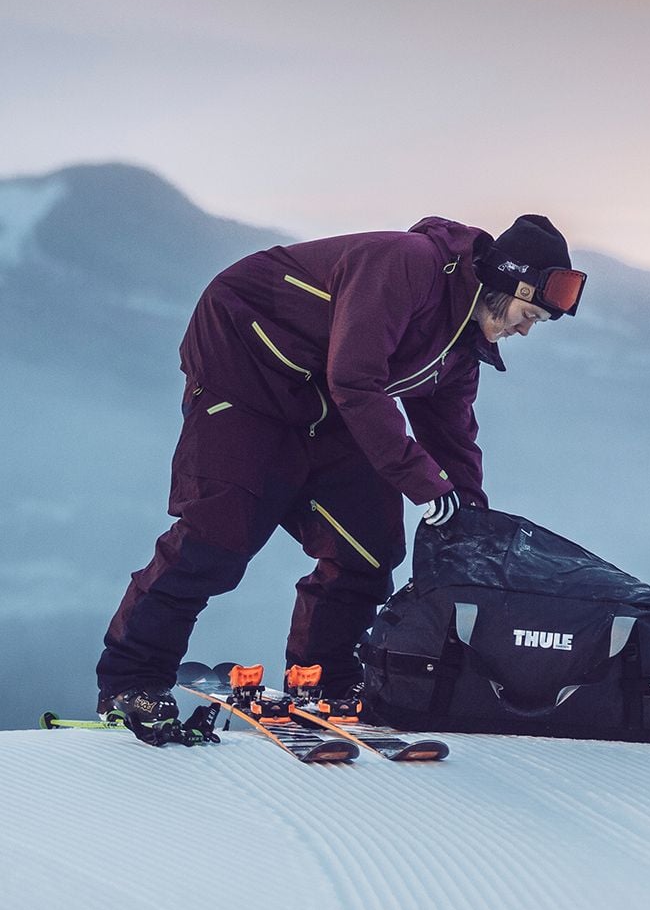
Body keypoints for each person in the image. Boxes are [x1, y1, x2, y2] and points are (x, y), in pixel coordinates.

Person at [96, 214, 586, 744]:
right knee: (217, 537)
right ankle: (132, 681)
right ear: (505, 283)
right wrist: (422, 484)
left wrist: (471, 521)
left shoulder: (460, 349)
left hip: (327, 402)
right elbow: (355, 376)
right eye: (527, 313)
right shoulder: (407, 266)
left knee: (369, 546)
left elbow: (452, 439)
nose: (525, 329)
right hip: (244, 374)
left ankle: (320, 680)